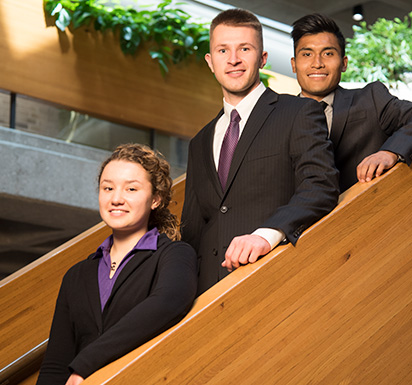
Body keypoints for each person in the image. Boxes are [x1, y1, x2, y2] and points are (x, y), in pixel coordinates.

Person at [181, 9, 339, 295]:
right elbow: (192, 231)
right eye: (222, 50)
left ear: (262, 58)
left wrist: (266, 236)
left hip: (274, 281)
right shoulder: (199, 142)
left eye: (245, 48)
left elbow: (321, 186)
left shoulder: (299, 113)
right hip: (207, 298)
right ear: (210, 62)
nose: (233, 59)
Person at [37, 144, 198, 385]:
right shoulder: (77, 275)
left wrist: (86, 364)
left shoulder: (174, 255)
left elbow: (167, 304)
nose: (116, 199)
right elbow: (55, 364)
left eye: (131, 188)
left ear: (156, 199)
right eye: (108, 188)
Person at [290, 13, 412, 192]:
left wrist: (391, 152)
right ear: (294, 64)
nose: (317, 63)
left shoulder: (371, 100)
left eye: (328, 53)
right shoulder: (278, 118)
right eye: (307, 54)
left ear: (344, 63)